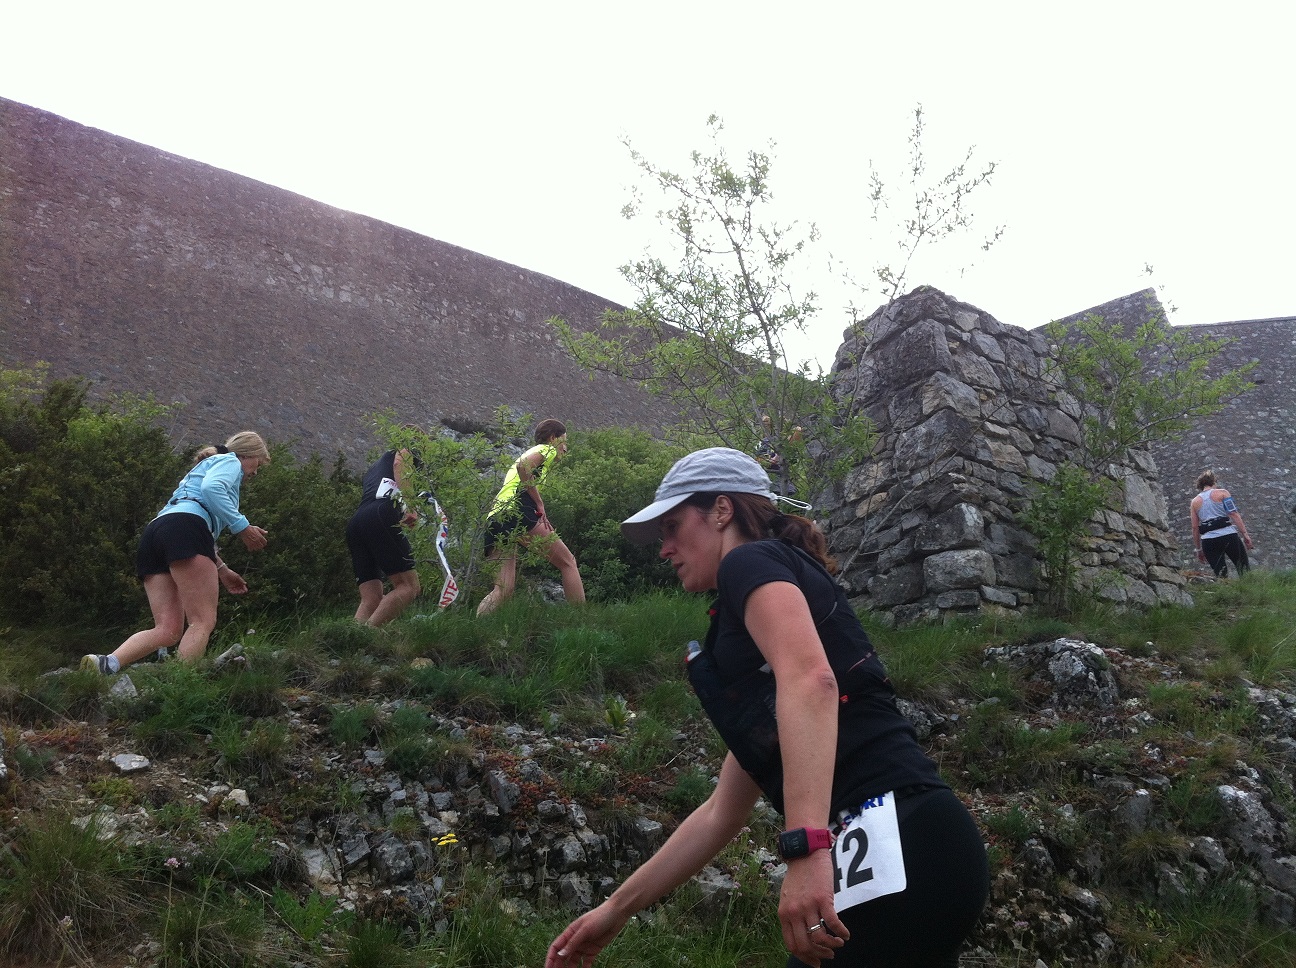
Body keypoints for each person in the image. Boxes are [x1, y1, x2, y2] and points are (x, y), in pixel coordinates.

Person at [547, 447, 988, 968]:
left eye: (672, 526)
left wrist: (807, 847)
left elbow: (812, 682)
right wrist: (613, 912)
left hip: (900, 837)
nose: (663, 549)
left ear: (722, 510)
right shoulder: (767, 654)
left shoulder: (747, 561)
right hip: (923, 843)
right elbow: (720, 812)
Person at [81, 431, 271, 674]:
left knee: (168, 629)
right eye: (258, 463)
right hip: (186, 529)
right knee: (202, 621)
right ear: (248, 454)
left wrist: (222, 570)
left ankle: (106, 664)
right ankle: (180, 684)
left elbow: (192, 527)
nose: (255, 472)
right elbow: (212, 491)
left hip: (156, 533)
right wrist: (242, 527)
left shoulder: (202, 471)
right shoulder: (230, 461)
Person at [476, 419, 585, 616]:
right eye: (564, 442)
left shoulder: (525, 453)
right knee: (568, 562)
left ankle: (477, 629)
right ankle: (581, 622)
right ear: (553, 438)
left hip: (496, 515)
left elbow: (520, 467)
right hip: (518, 508)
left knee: (503, 588)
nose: (565, 449)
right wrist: (539, 502)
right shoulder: (547, 449)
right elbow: (523, 467)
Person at [346, 445, 424, 625]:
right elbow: (400, 463)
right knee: (408, 586)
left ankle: (350, 642)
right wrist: (411, 507)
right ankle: (368, 639)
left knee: (371, 599)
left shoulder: (376, 466)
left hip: (357, 522)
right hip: (381, 514)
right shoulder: (409, 447)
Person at [1190, 469, 1254, 578]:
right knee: (1243, 568)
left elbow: (1195, 527)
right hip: (1228, 535)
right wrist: (1245, 534)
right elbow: (1234, 514)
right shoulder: (1222, 493)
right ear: (1213, 482)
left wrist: (1199, 549)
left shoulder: (1194, 502)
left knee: (1221, 574)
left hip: (1208, 540)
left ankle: (1226, 593)